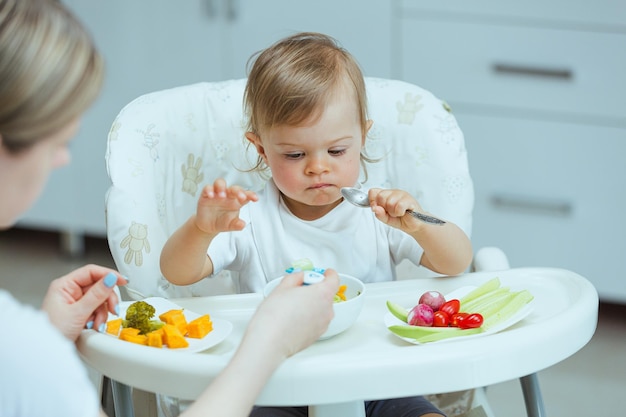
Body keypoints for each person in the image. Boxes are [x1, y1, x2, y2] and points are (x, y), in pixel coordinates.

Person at [0, 2, 339, 417]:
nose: (62, 161)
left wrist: (46, 336)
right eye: (57, 143)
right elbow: (178, 269)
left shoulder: (22, 349)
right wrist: (268, 345)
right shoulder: (23, 357)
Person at [161, 32, 474, 417]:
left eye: (337, 150)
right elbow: (177, 273)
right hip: (275, 384)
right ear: (260, 148)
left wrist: (420, 225)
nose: (318, 167)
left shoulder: (379, 214)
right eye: (294, 154)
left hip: (376, 379)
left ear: (363, 136)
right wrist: (201, 229)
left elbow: (457, 262)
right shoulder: (250, 219)